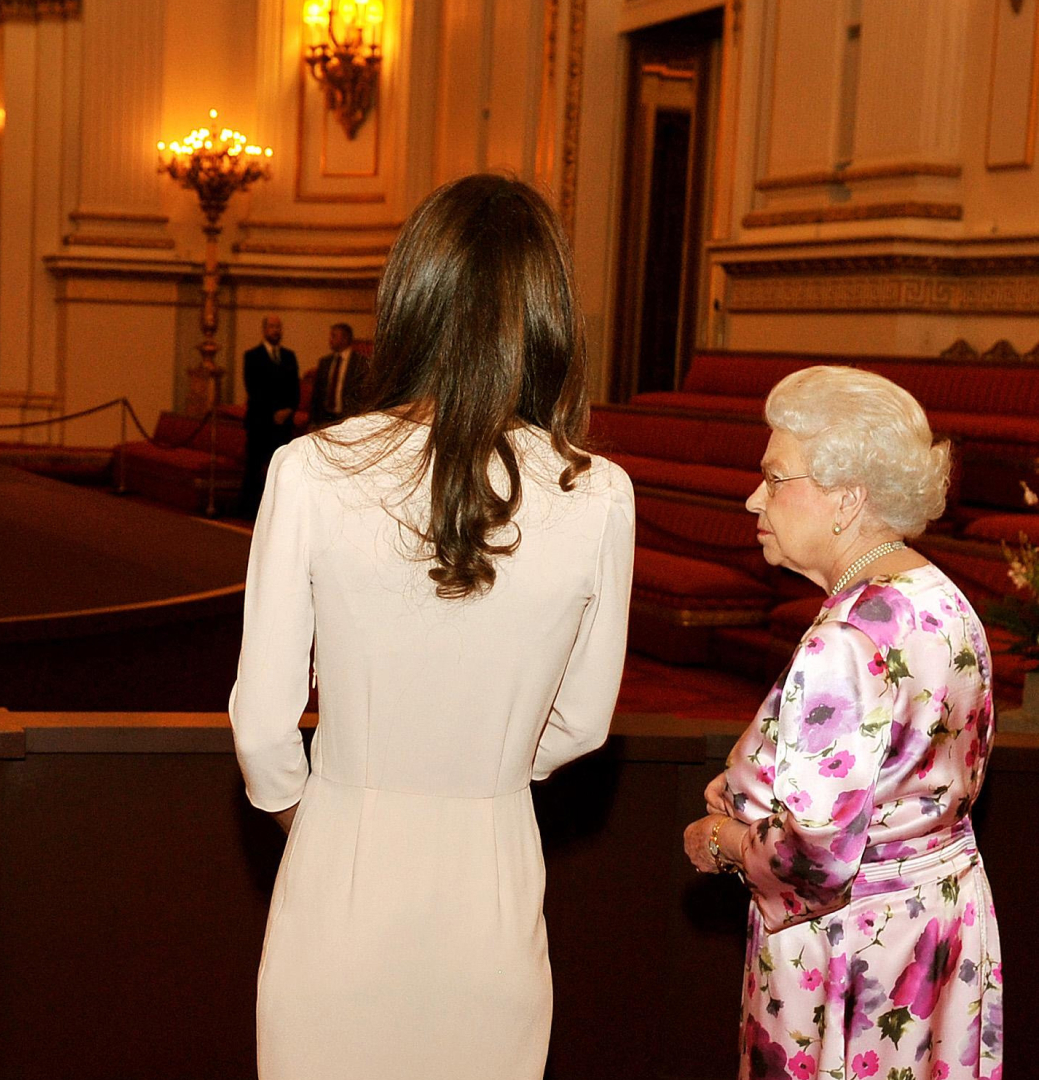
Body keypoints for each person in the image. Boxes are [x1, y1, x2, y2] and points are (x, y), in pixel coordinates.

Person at [229, 173, 634, 1080]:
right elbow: (584, 725)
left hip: (341, 868)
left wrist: (332, 809)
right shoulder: (598, 491)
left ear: (410, 297)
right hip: (491, 872)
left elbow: (262, 726)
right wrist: (478, 779)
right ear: (548, 315)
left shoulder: (309, 470)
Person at [682, 366, 1002, 1080]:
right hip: (934, 926)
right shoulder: (940, 594)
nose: (752, 497)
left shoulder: (844, 640)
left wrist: (722, 838)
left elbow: (814, 862)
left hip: (850, 956)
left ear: (847, 499)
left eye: (775, 477)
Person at [240, 315, 300, 515]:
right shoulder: (252, 356)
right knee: (255, 467)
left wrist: (288, 410)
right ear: (264, 329)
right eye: (272, 327)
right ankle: (249, 509)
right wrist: (273, 412)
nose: (276, 330)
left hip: (283, 424)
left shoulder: (289, 356)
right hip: (260, 422)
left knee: (281, 468)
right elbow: (254, 389)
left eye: (279, 327)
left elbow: (295, 388)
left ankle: (277, 510)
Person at [308, 322, 363, 428]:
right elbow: (317, 394)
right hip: (325, 418)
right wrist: (313, 420)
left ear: (345, 339)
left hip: (348, 418)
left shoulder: (359, 363)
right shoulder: (325, 362)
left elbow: (362, 395)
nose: (330, 340)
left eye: (333, 336)